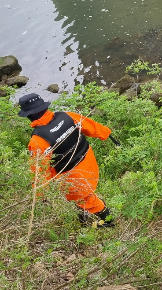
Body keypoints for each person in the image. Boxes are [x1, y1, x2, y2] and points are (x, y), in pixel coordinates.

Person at [18, 93, 118, 228]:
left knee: (86, 198)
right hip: (89, 160)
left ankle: (108, 220)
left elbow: (39, 172)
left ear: (29, 116)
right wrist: (106, 133)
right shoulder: (67, 116)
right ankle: (84, 213)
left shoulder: (38, 141)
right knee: (85, 193)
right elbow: (91, 126)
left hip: (73, 175)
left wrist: (41, 194)